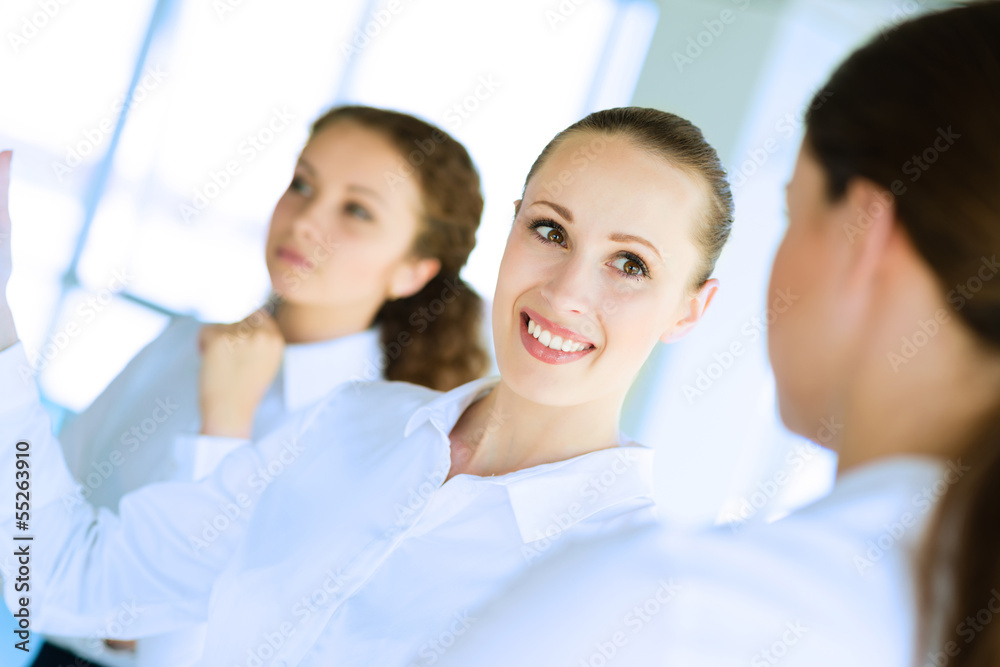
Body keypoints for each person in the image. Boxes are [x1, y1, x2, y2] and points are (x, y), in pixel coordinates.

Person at [0, 105, 734, 665]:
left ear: (690, 309)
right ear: (513, 230)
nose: (567, 290)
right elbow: (67, 576)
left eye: (631, 264)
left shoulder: (637, 587)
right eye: (550, 230)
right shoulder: (347, 421)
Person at [420, 3, 1000, 666]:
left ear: (863, 239)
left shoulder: (678, 609)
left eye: (793, 211)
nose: (567, 293)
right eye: (550, 230)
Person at [29, 105, 490, 667]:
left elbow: (182, 653)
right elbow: (36, 524)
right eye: (302, 184)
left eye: (357, 210)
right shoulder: (182, 344)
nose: (304, 221)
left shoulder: (386, 438)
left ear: (413, 271)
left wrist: (226, 424)